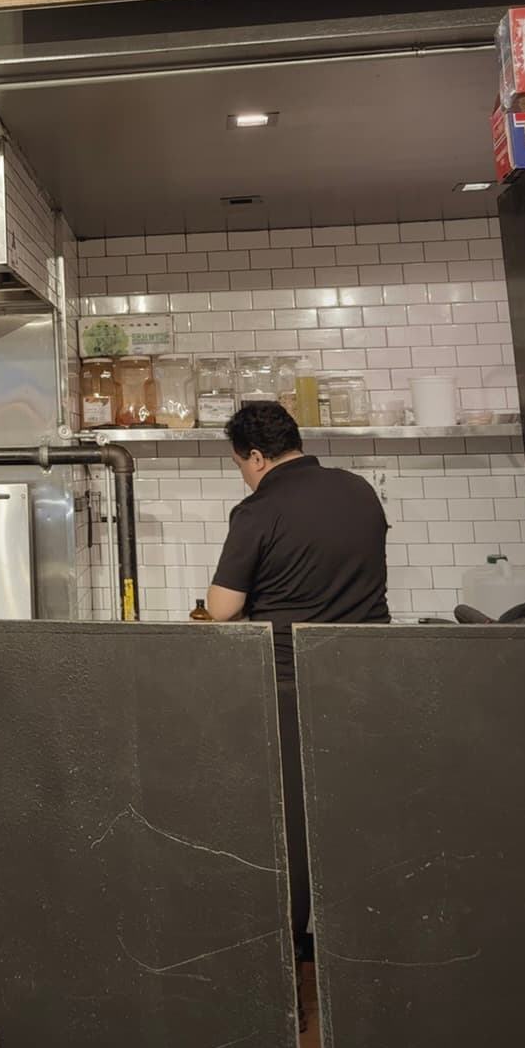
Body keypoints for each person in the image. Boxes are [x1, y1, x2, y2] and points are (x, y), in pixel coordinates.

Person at [205, 401, 389, 975]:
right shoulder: (359, 489)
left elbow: (222, 607)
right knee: (356, 815)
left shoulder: (258, 508)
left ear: (256, 456)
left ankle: (284, 965)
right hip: (367, 674)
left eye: (241, 462)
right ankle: (363, 956)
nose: (243, 472)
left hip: (290, 682)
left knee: (291, 830)